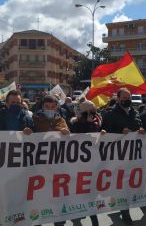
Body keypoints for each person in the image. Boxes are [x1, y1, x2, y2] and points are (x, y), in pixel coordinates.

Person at [102, 88, 145, 225]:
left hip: (133, 154)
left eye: (129, 97)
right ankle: (124, 212)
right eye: (124, 98)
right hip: (117, 155)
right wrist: (120, 131)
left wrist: (141, 130)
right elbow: (105, 132)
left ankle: (120, 206)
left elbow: (139, 126)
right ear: (118, 98)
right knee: (121, 184)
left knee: (131, 182)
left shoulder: (135, 112)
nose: (127, 100)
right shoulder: (110, 113)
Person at [32, 95, 69, 226]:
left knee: (57, 199)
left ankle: (59, 222)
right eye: (47, 107)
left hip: (57, 167)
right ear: (42, 107)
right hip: (40, 168)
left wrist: (65, 132)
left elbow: (68, 137)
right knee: (39, 198)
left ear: (57, 107)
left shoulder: (61, 120)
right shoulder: (35, 119)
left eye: (53, 107)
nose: (50, 109)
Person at [68, 100, 101, 226]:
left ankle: (94, 220)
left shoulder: (96, 122)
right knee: (78, 193)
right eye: (90, 112)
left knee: (90, 194)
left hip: (92, 166)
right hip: (77, 166)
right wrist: (87, 124)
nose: (93, 114)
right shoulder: (73, 123)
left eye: (94, 111)